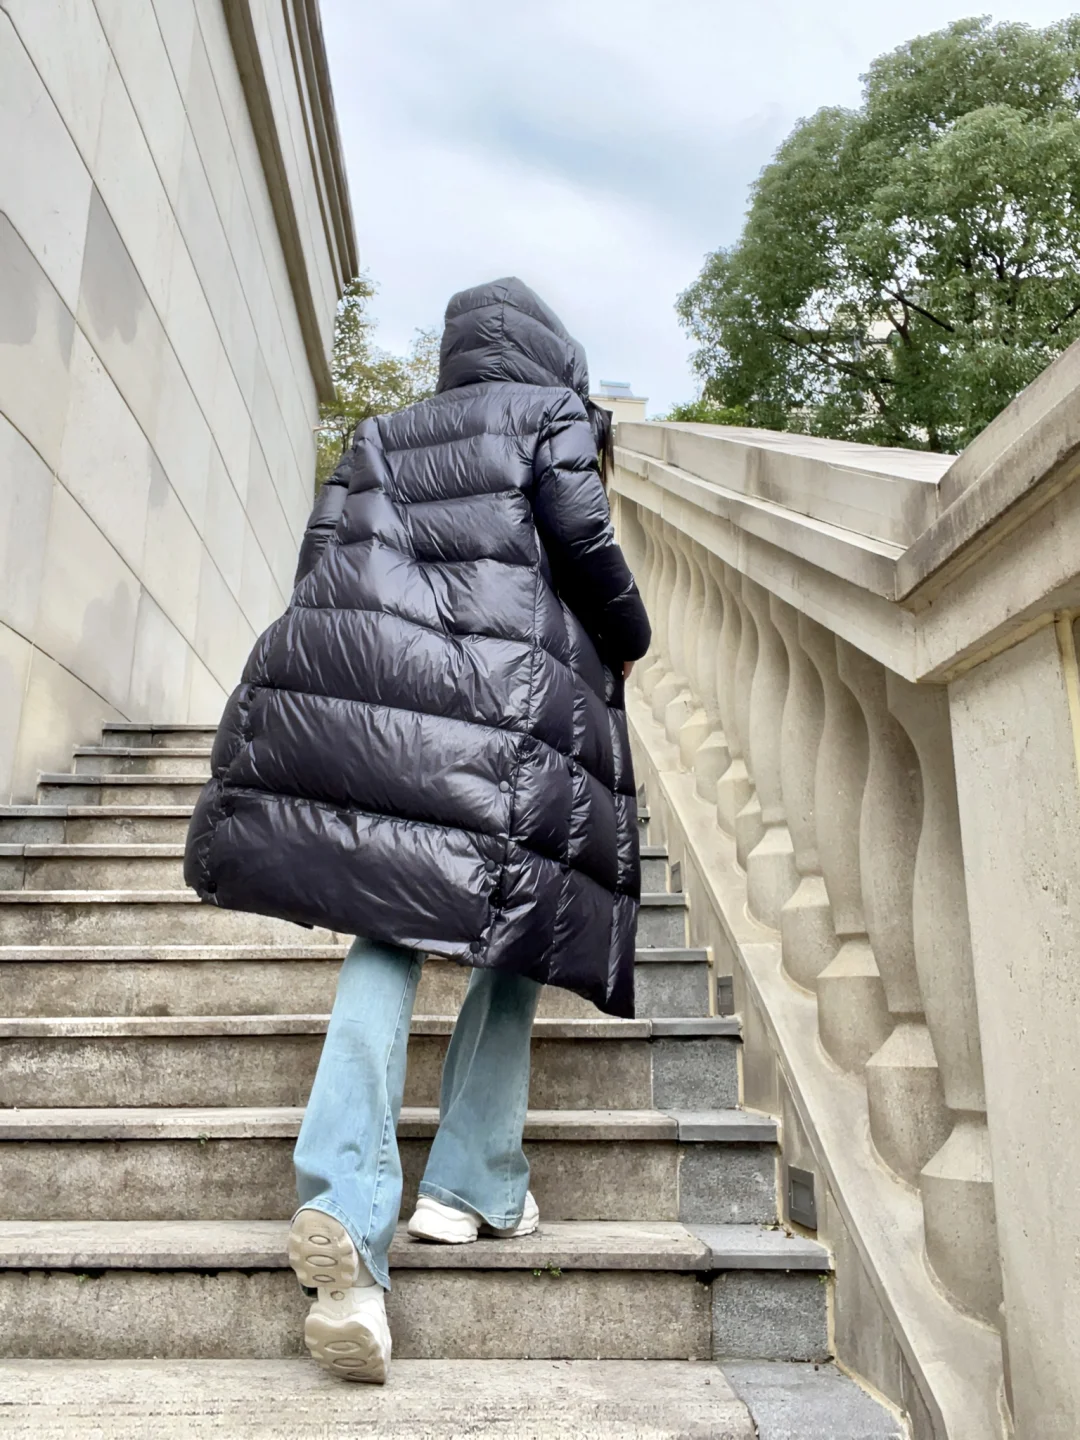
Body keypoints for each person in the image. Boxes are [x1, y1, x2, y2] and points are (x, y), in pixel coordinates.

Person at [184, 277, 651, 1383]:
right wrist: (628, 633)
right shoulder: (548, 418)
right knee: (514, 941)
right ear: (551, 352)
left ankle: (344, 1208)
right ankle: (469, 1183)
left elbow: (321, 567)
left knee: (383, 933)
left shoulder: (382, 434)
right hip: (509, 720)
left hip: (390, 719)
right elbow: (582, 539)